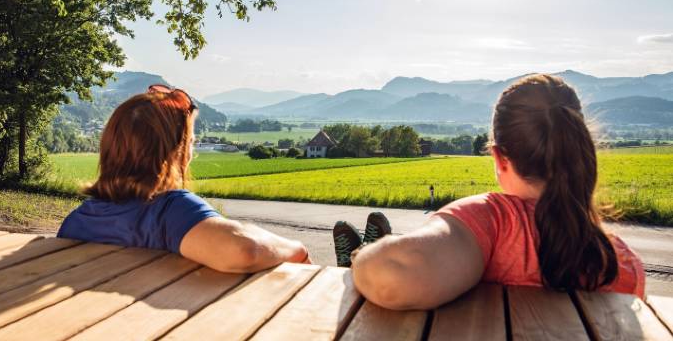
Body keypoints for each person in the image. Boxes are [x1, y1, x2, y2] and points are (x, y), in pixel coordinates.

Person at [335, 74, 645, 310]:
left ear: (499, 157)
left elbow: (389, 276)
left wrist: (362, 258)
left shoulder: (493, 221)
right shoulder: (624, 264)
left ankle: (357, 255)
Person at [58, 85, 309, 273]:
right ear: (175, 152)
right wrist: (297, 249)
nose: (191, 151)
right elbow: (244, 250)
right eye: (190, 142)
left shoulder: (78, 220)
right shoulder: (169, 211)